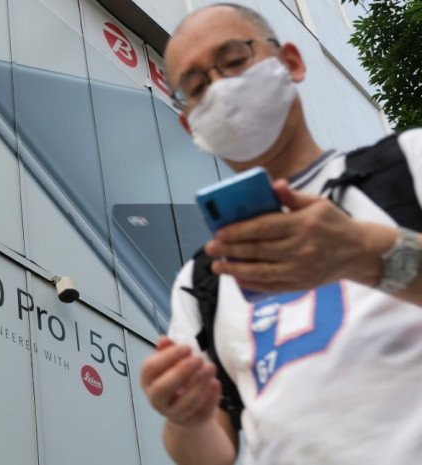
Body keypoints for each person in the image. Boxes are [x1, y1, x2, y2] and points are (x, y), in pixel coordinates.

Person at [140, 3, 422, 465]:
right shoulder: (203, 278)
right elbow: (211, 453)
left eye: (234, 62)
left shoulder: (408, 164)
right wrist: (184, 417)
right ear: (191, 124)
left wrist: (371, 254)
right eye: (196, 87)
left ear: (290, 62)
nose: (222, 89)